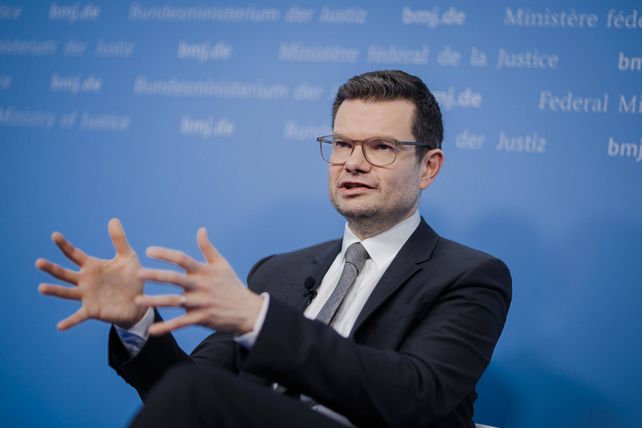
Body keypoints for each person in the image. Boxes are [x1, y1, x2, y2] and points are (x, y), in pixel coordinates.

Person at [36, 70, 511, 428]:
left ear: (428, 167)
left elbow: (414, 396)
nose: (353, 163)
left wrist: (259, 321)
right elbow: (182, 389)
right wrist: (136, 321)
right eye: (342, 144)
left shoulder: (469, 276)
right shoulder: (277, 273)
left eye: (381, 147)